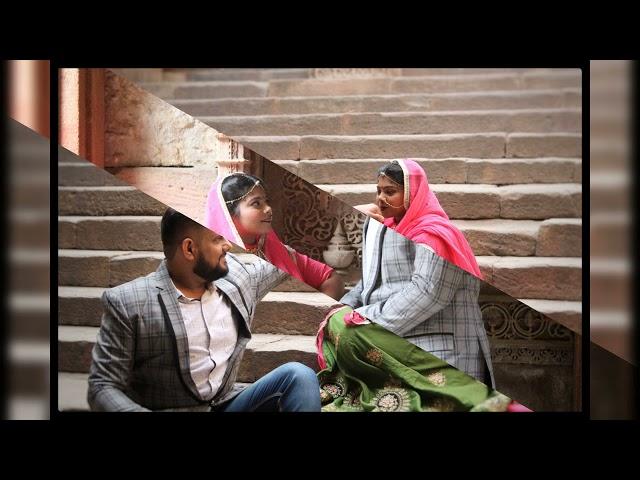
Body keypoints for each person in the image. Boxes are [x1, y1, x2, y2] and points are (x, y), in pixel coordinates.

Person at [315, 159, 509, 411]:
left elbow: (428, 293)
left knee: (347, 330)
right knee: (336, 322)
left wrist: (364, 318)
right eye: (379, 191)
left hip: (437, 340)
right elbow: (368, 283)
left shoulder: (434, 234)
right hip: (398, 329)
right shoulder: (385, 228)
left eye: (390, 191)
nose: (381, 198)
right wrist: (345, 308)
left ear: (413, 194)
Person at [88, 207, 321, 412]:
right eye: (218, 238)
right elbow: (103, 386)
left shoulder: (236, 280)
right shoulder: (129, 302)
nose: (228, 245)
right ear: (190, 249)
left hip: (226, 404)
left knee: (298, 376)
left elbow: (285, 256)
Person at [204, 172, 344, 300]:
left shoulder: (281, 252)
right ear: (229, 214)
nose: (268, 209)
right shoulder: (215, 266)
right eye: (256, 203)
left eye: (266, 201)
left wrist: (319, 315)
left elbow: (332, 279)